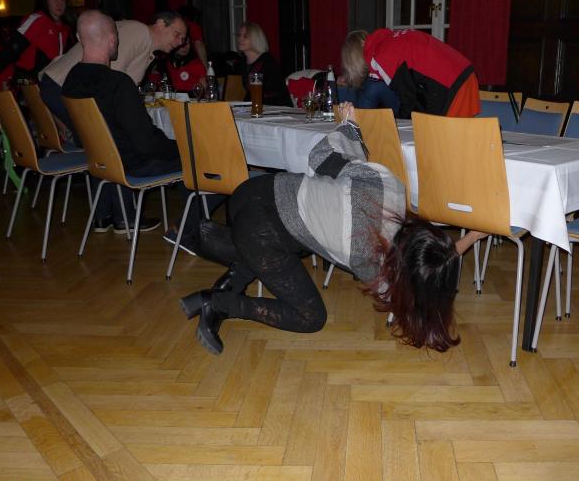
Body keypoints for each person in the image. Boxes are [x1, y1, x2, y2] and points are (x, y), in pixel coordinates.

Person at [179, 102, 485, 355]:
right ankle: (217, 302)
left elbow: (321, 157)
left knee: (300, 237)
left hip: (251, 193)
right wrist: (467, 243)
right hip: (262, 235)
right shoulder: (366, 259)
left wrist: (349, 127)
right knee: (311, 317)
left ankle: (219, 259)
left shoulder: (390, 188)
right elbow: (402, 290)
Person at [61, 10, 183, 233]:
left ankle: (110, 216)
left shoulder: (71, 79)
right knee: (200, 158)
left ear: (79, 38)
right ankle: (191, 228)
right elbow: (147, 143)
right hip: (133, 165)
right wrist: (182, 148)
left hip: (101, 162)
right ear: (112, 39)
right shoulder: (117, 83)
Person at [40, 11, 188, 144]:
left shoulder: (143, 41)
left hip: (60, 86)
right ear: (160, 23)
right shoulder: (140, 32)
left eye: (183, 38)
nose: (180, 42)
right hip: (64, 88)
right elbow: (108, 80)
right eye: (177, 34)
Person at [349, 28, 481, 119]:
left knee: (443, 140)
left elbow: (407, 98)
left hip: (451, 83)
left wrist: (399, 123)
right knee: (452, 138)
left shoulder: (382, 56)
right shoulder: (389, 40)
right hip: (462, 73)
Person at [0, 0, 72, 90]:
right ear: (46, 1)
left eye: (63, 1)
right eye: (55, 0)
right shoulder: (36, 20)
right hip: (29, 81)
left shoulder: (66, 27)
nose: (59, 4)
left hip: (52, 79)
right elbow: (12, 47)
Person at [337, 30, 400, 115]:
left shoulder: (379, 60)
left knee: (372, 88)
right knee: (347, 87)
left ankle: (357, 119)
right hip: (393, 94)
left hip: (403, 99)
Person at [237, 22, 292, 107]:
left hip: (276, 107)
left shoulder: (267, 62)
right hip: (257, 105)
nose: (240, 39)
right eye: (239, 35)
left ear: (255, 39)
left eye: (245, 36)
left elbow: (277, 94)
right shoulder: (242, 62)